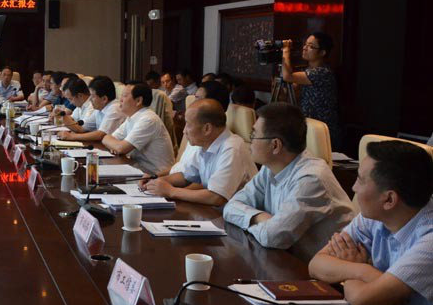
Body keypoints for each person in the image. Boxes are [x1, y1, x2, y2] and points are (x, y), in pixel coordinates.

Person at [309, 141, 432, 305]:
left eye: (360, 180)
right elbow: (316, 264)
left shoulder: (429, 239)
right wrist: (363, 271)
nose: (354, 187)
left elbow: (361, 301)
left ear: (389, 199)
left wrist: (349, 267)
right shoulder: (376, 215)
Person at [222, 102, 355, 261]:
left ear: (275, 145)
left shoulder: (311, 179)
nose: (250, 142)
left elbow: (273, 237)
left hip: (325, 270)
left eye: (253, 135)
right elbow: (230, 207)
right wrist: (258, 217)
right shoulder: (270, 168)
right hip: (289, 260)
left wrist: (251, 221)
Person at [142, 99, 257, 206]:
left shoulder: (232, 149)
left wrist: (171, 191)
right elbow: (186, 176)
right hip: (215, 212)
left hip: (236, 216)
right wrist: (156, 182)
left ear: (207, 128)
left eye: (188, 124)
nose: (184, 131)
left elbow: (216, 197)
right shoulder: (205, 144)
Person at [101, 82, 175, 176]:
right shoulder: (132, 117)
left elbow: (121, 148)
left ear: (139, 100)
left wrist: (113, 144)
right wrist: (112, 143)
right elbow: (109, 139)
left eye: (124, 96)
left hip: (155, 176)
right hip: (138, 169)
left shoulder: (148, 120)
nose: (120, 100)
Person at [281, 32, 341, 147]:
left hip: (322, 132)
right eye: (305, 44)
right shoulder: (306, 70)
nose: (305, 48)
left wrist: (286, 50)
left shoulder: (323, 72)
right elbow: (290, 94)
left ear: (322, 52)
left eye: (311, 46)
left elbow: (288, 76)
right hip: (309, 128)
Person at [58, 76, 124, 143]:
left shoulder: (114, 108)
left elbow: (100, 134)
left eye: (92, 96)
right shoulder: (99, 109)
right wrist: (62, 117)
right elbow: (81, 129)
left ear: (104, 99)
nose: (90, 99)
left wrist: (72, 136)